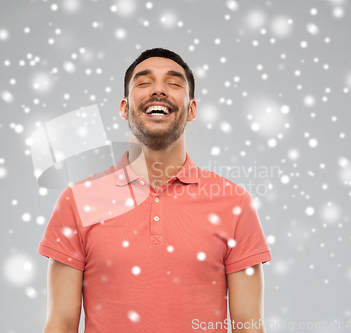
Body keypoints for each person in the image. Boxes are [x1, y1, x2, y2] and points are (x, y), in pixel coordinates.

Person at [38, 47, 272, 332]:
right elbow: (60, 324)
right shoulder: (77, 202)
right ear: (125, 107)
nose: (159, 90)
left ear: (192, 110)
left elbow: (249, 326)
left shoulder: (234, 203)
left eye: (174, 83)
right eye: (144, 82)